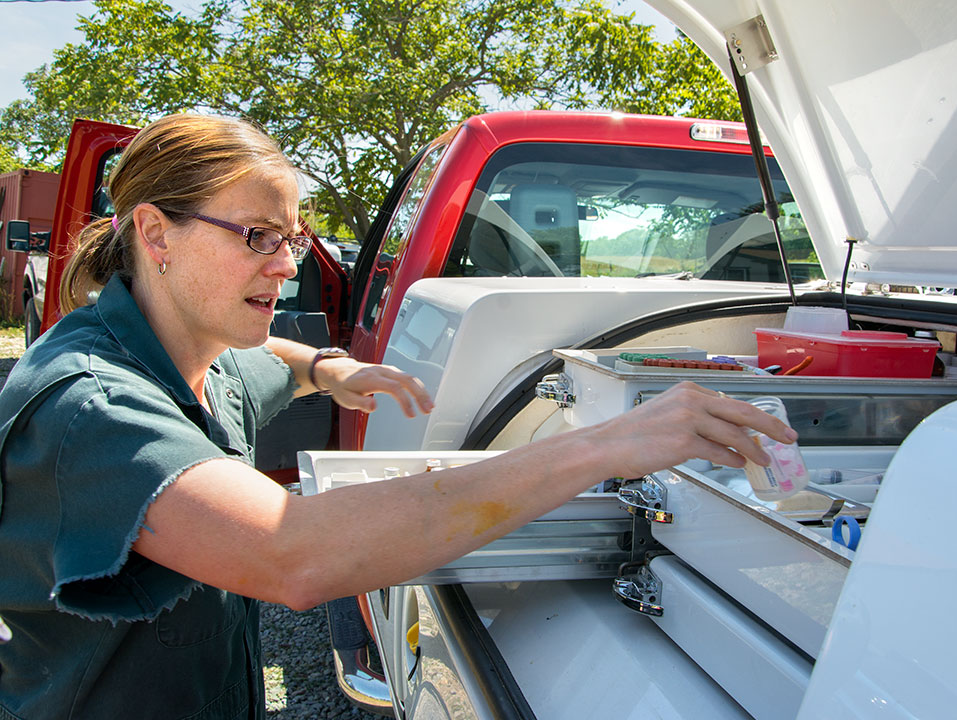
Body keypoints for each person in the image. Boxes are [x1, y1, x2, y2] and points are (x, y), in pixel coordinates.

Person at [0, 113, 798, 719]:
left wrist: (332, 369)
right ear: (153, 232)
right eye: (256, 237)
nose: (285, 265)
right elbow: (295, 555)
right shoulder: (92, 408)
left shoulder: (198, 353)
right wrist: (606, 444)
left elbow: (266, 362)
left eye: (290, 237)